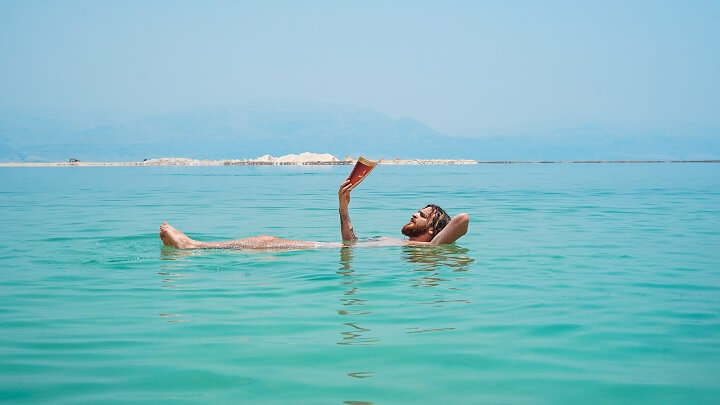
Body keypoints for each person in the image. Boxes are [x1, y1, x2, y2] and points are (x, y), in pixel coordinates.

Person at [159, 179, 469, 250]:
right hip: (335, 250)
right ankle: (195, 246)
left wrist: (436, 239)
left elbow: (462, 219)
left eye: (422, 215)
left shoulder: (430, 249)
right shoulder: (414, 248)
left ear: (433, 228)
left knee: (266, 242)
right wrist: (343, 207)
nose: (414, 214)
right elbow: (351, 243)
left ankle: (193, 247)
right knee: (266, 241)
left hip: (323, 252)